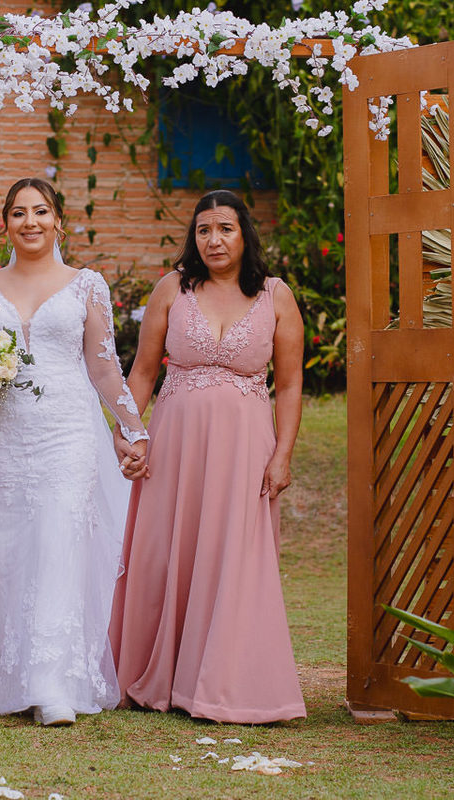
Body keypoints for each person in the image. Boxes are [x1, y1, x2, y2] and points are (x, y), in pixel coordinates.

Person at [0, 178, 147, 726]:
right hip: (2, 435)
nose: (30, 221)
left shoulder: (87, 286)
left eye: (40, 211)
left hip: (67, 430)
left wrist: (133, 429)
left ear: (59, 220)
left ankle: (51, 683)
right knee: (9, 545)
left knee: (59, 539)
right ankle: (4, 670)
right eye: (18, 213)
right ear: (5, 225)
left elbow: (104, 367)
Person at [108, 189, 306, 724]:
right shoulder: (172, 289)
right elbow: (142, 371)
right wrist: (127, 434)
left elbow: (290, 385)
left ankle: (221, 685)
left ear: (245, 234)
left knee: (234, 554)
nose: (213, 240)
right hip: (175, 445)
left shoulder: (275, 296)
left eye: (225, 228)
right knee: (162, 552)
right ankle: (155, 676)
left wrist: (283, 454)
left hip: (245, 449)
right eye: (203, 230)